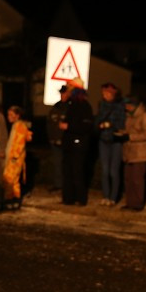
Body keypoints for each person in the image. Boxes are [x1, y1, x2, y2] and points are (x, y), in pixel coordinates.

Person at [59, 78, 95, 206]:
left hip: (78, 143)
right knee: (67, 170)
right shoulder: (70, 104)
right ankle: (68, 198)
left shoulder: (84, 106)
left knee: (77, 171)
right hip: (69, 143)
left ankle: (80, 198)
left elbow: (86, 126)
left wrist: (69, 127)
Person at [120, 94, 146, 211]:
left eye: (128, 105)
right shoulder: (129, 116)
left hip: (140, 153)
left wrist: (130, 137)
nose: (127, 107)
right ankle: (130, 202)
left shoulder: (145, 116)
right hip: (129, 152)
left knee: (137, 180)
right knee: (128, 179)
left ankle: (138, 204)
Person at [95, 82, 126, 206]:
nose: (105, 95)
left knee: (114, 171)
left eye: (107, 93)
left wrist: (111, 125)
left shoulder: (119, 106)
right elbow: (97, 120)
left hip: (115, 141)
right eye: (103, 93)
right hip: (103, 140)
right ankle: (106, 196)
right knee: (105, 170)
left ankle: (113, 197)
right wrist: (100, 125)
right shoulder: (101, 105)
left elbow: (122, 124)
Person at [0, 105, 33, 210]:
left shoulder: (19, 126)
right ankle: (14, 200)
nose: (9, 116)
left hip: (15, 158)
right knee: (13, 181)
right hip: (14, 157)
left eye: (11, 114)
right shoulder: (17, 125)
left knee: (9, 179)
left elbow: (19, 143)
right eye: (8, 114)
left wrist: (14, 156)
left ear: (17, 115)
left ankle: (10, 199)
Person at [46, 86, 68, 192]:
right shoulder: (55, 107)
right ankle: (58, 184)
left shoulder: (70, 107)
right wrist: (51, 137)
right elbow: (49, 123)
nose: (63, 96)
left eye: (65, 94)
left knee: (66, 163)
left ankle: (66, 184)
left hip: (66, 141)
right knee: (57, 163)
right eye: (62, 93)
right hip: (54, 140)